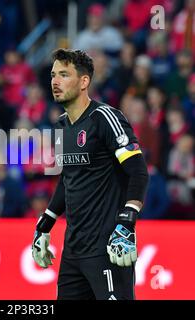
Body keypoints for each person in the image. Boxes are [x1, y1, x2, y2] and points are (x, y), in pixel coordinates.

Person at [31, 49, 149, 300]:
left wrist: (127, 222)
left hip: (108, 246)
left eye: (64, 74)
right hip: (73, 252)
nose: (55, 81)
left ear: (84, 82)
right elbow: (68, 179)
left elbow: (138, 171)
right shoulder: (61, 126)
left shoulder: (106, 118)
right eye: (53, 75)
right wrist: (46, 223)